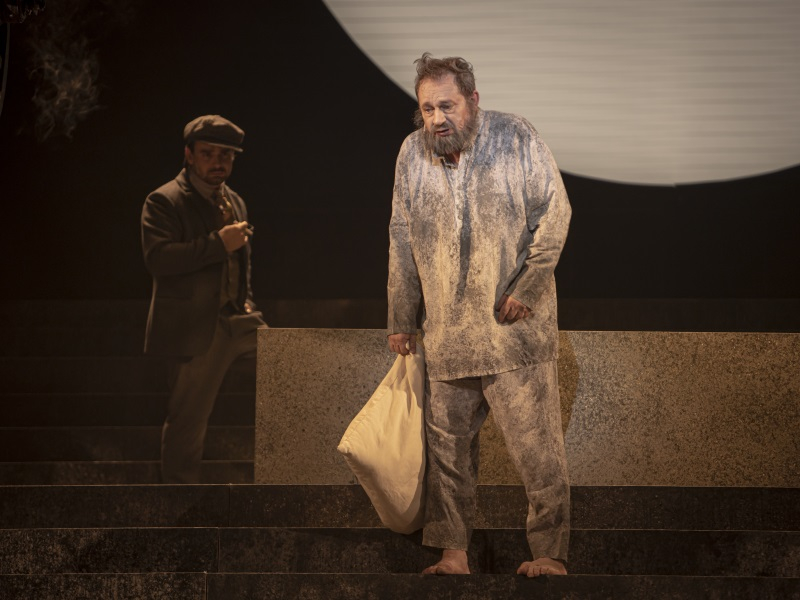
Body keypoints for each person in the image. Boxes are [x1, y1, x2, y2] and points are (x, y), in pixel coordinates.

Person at [387, 54, 572, 577]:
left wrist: (528, 288)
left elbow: (555, 213)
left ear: (472, 99)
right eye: (427, 109)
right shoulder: (412, 153)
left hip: (513, 332)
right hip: (448, 333)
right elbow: (400, 236)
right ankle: (453, 553)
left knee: (538, 453)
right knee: (447, 456)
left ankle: (549, 553)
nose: (437, 118)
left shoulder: (516, 136)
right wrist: (401, 317)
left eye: (446, 106)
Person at [141, 114, 266, 484]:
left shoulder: (234, 200)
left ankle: (287, 478)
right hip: (196, 325)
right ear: (189, 155)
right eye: (208, 153)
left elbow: (240, 265)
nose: (217, 162)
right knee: (188, 419)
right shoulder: (164, 200)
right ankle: (179, 501)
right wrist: (218, 244)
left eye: (225, 155)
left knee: (290, 368)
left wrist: (246, 302)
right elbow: (159, 260)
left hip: (239, 319)